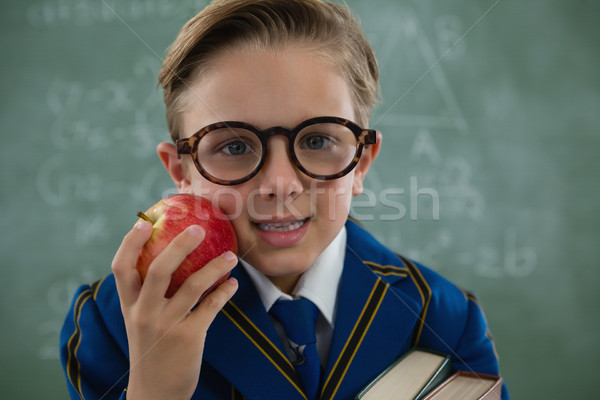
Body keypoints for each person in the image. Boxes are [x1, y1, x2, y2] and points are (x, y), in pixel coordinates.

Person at [60, 0, 509, 399]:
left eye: (316, 140)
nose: (279, 183)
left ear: (362, 162)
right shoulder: (112, 325)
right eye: (234, 146)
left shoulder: (444, 317)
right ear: (182, 172)